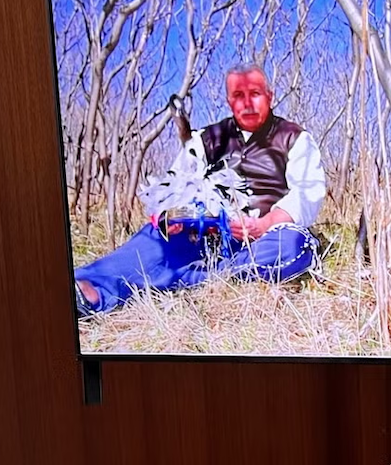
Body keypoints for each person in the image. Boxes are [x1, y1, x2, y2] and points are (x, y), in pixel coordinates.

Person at [74, 64, 327, 315]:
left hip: (263, 237)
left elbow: (307, 192)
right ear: (229, 100)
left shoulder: (295, 137)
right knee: (154, 237)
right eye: (238, 95)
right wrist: (167, 217)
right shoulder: (206, 138)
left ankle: (181, 278)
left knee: (295, 247)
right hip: (201, 235)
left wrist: (265, 223)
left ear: (269, 96)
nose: (247, 103)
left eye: (255, 94)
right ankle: (86, 288)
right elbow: (173, 187)